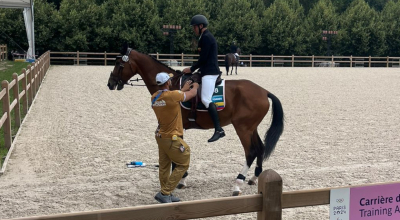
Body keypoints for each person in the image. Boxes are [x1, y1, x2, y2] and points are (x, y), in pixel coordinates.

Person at [151, 72, 199, 203]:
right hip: (172, 137)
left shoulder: (154, 97)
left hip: (160, 136)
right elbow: (192, 94)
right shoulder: (173, 96)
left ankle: (167, 193)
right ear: (168, 82)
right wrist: (195, 86)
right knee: (184, 162)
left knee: (164, 166)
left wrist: (181, 90)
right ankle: (165, 192)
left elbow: (171, 97)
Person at [182, 14, 225, 143]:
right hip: (205, 70)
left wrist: (191, 69)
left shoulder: (206, 38)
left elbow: (203, 59)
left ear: (201, 26)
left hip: (210, 72)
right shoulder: (204, 37)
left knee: (206, 99)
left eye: (194, 27)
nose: (193, 29)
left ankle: (218, 129)